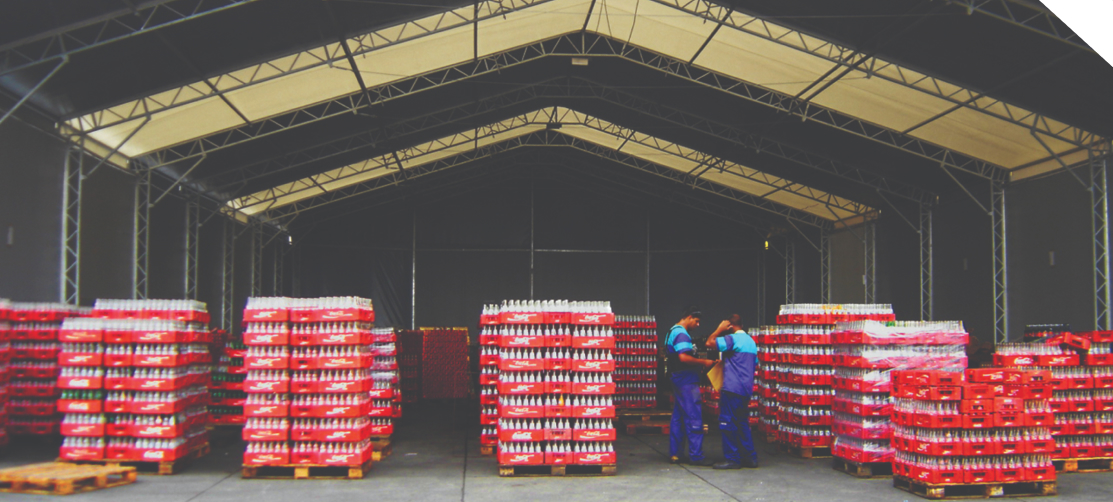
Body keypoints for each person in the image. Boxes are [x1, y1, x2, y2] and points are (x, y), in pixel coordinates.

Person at [705, 314, 759, 469]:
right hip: (745, 390)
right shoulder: (751, 342)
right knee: (742, 423)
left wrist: (718, 330)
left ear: (730, 326)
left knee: (727, 422)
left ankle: (732, 459)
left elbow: (709, 343)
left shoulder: (732, 340)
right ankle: (750, 458)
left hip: (731, 388)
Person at [665, 305, 717, 466]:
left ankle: (676, 454)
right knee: (694, 416)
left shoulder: (671, 331)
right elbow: (684, 358)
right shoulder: (681, 334)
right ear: (688, 317)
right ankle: (696, 456)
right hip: (685, 380)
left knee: (679, 417)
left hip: (677, 378)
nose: (698, 325)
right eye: (697, 321)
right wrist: (705, 362)